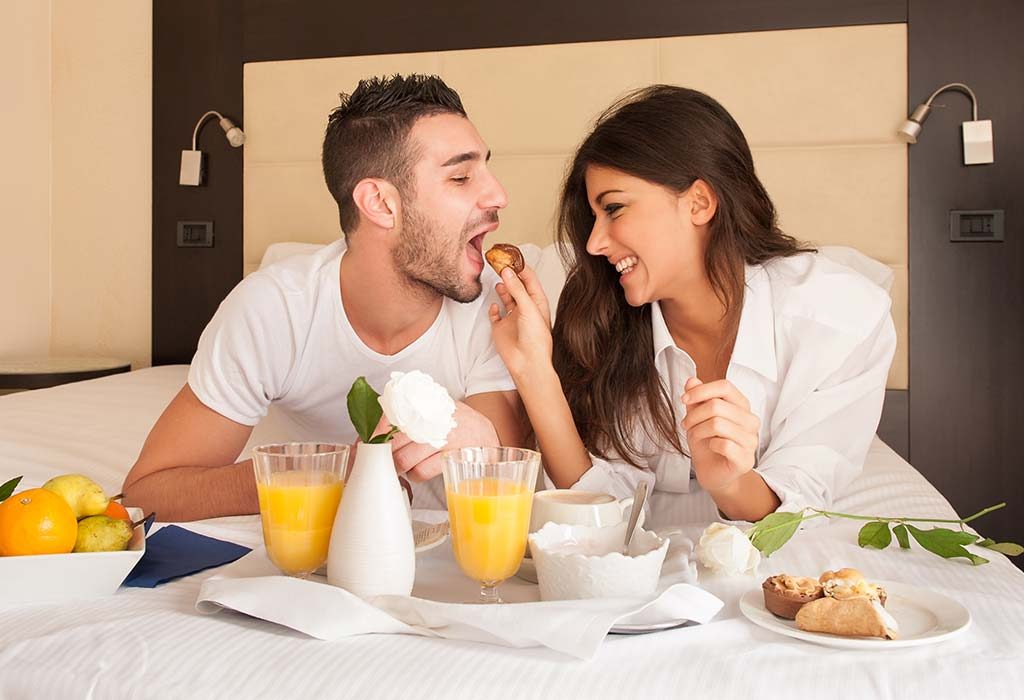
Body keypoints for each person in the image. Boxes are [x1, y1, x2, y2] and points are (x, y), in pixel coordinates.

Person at [489, 85, 896, 525]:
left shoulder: (842, 320)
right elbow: (597, 505)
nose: (594, 242)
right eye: (593, 218)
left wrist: (729, 482)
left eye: (614, 209)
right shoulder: (600, 313)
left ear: (699, 202)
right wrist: (534, 371)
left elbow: (795, 503)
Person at [124, 75, 525, 521]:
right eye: (462, 176)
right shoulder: (274, 310)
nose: (499, 195)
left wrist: (481, 435)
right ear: (380, 203)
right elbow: (150, 492)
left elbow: (510, 479)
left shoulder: (493, 306)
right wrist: (322, 473)